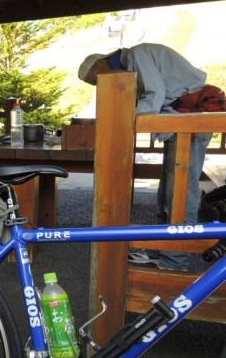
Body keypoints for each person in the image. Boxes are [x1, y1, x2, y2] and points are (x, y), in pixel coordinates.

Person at [78, 43, 212, 271]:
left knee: (180, 194)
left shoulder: (137, 55)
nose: (99, 84)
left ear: (102, 64)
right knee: (166, 193)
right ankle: (161, 251)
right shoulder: (132, 62)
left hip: (191, 119)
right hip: (179, 119)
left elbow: (155, 94)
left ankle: (175, 261)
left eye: (96, 79)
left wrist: (124, 120)